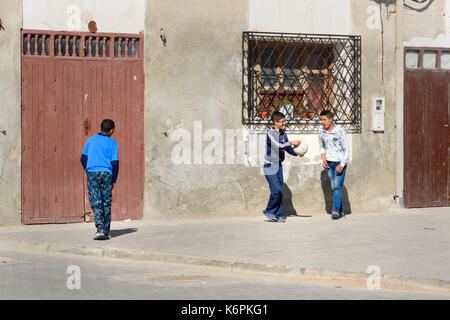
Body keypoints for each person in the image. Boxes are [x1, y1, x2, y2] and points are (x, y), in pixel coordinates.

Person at [80, 119, 119, 240]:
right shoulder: (113, 143)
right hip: (106, 173)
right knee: (106, 201)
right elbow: (115, 163)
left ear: (101, 127)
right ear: (111, 130)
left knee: (96, 200)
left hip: (92, 173)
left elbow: (83, 158)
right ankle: (105, 230)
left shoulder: (91, 140)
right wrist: (113, 180)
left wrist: (88, 168)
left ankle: (100, 230)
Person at [262, 111, 302, 223]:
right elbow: (278, 145)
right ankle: (269, 211)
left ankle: (278, 215)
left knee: (280, 191)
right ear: (275, 122)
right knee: (275, 190)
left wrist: (297, 153)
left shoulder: (284, 134)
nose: (284, 123)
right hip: (270, 165)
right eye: (282, 122)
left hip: (278, 165)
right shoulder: (270, 133)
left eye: (284, 121)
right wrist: (291, 142)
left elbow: (288, 149)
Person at [318, 110, 349, 220]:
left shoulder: (340, 131)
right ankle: (341, 210)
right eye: (321, 120)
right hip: (329, 164)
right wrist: (323, 158)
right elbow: (321, 146)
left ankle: (335, 210)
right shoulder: (321, 132)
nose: (323, 122)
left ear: (331, 119)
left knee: (337, 186)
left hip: (339, 163)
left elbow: (346, 149)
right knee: (333, 186)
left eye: (325, 120)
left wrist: (342, 164)